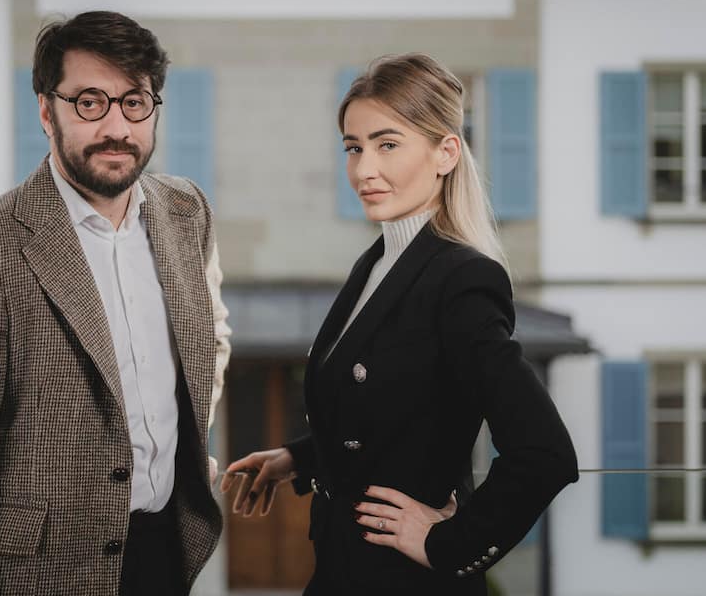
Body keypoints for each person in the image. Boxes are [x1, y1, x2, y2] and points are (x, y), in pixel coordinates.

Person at [222, 53, 577, 594]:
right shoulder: (377, 263)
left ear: (445, 152)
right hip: (340, 572)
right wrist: (297, 456)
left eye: (387, 144)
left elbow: (544, 453)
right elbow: (397, 409)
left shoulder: (463, 279)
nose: (364, 169)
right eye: (353, 147)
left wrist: (449, 545)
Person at [0, 11, 231, 596]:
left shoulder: (187, 211)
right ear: (45, 111)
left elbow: (209, 336)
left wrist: (180, 438)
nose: (117, 127)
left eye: (134, 102)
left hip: (167, 551)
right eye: (89, 102)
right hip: (41, 571)